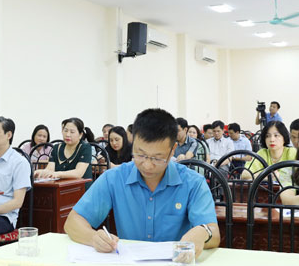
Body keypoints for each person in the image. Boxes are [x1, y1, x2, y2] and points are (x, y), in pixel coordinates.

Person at [64, 108, 220, 258]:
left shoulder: (193, 183)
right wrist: (93, 238)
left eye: (157, 158)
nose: (147, 165)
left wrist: (203, 232)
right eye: (140, 154)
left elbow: (214, 233)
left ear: (172, 150)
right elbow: (73, 222)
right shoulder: (115, 178)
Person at [35, 118, 94, 188]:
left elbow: (78, 173)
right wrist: (42, 172)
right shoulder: (56, 147)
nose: (67, 134)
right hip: (61, 188)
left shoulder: (85, 147)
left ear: (80, 135)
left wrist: (58, 174)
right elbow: (50, 169)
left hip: (81, 189)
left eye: (72, 132)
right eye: (65, 130)